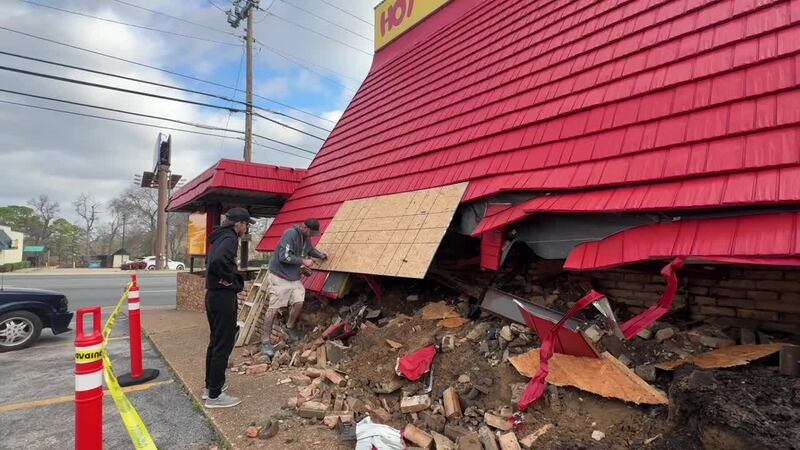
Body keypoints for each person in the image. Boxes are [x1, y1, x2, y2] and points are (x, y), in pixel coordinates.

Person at [203, 207, 253, 408]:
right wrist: (229, 280)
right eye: (246, 224)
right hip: (222, 297)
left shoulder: (219, 237)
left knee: (215, 343)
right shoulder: (230, 238)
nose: (246, 228)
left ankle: (210, 387)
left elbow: (212, 261)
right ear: (239, 224)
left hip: (213, 295)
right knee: (223, 345)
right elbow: (216, 262)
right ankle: (215, 396)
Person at [260, 218, 327, 356]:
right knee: (273, 308)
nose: (313, 236)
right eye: (312, 233)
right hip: (279, 276)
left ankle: (289, 327)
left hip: (293, 277)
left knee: (299, 302)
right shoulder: (290, 234)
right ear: (306, 228)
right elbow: (283, 256)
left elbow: (310, 250)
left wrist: (320, 255)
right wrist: (304, 261)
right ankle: (265, 341)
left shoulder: (305, 238)